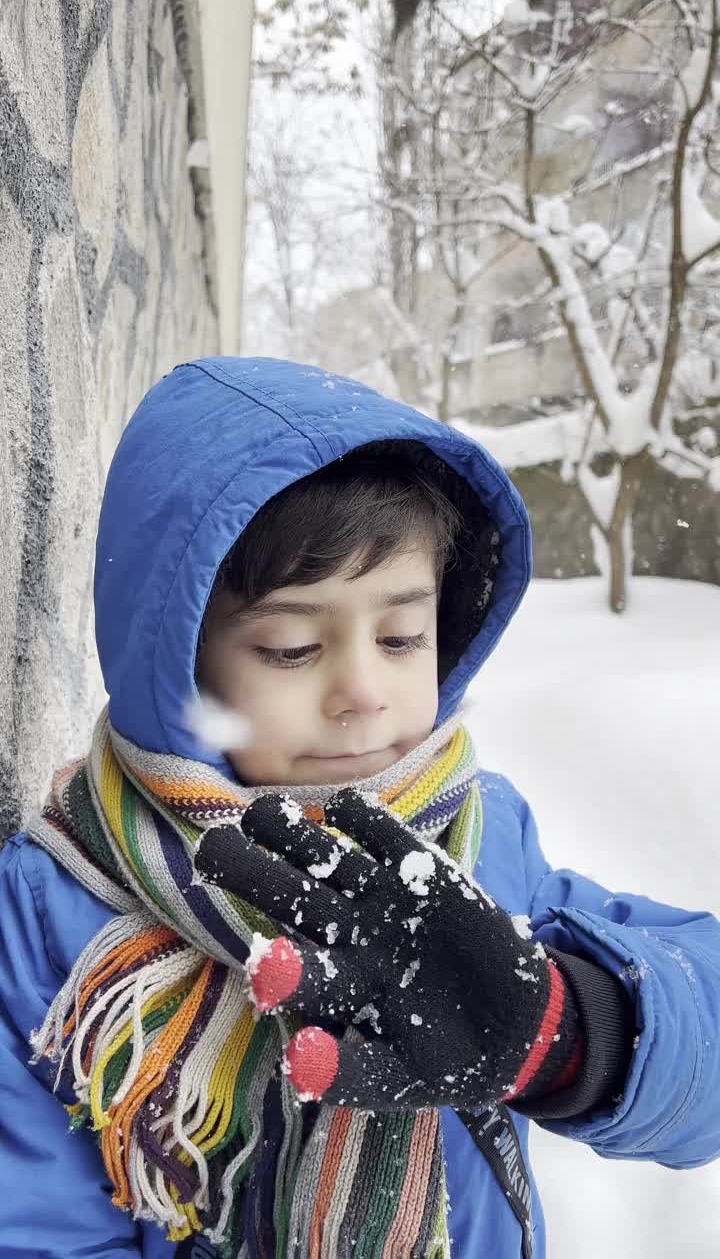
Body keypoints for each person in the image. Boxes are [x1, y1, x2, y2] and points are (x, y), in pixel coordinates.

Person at [0, 357, 718, 1259]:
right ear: (181, 663)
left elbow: (701, 1020)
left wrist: (571, 1036)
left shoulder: (480, 841)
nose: (365, 693)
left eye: (401, 636)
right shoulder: (60, 903)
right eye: (295, 647)